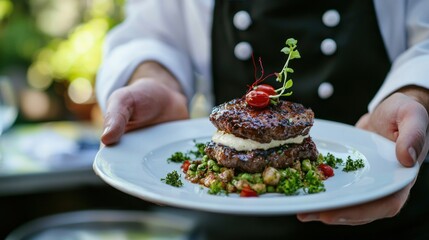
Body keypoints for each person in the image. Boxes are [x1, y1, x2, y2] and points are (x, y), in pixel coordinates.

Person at [95, 0, 429, 238]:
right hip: (227, 224)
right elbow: (151, 31)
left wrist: (416, 94)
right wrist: (153, 79)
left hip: (387, 219)